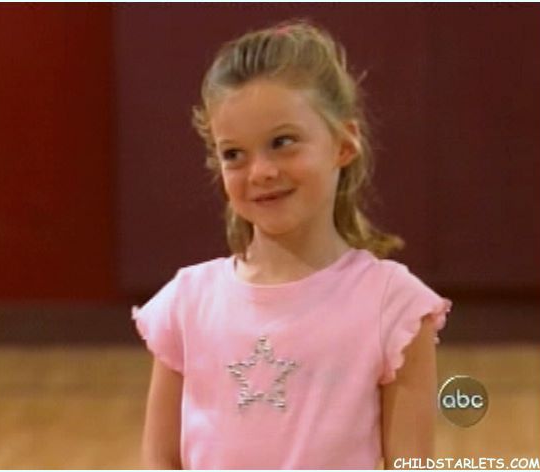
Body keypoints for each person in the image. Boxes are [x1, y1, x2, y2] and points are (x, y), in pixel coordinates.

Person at [132, 19, 452, 470]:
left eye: (282, 142)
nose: (260, 171)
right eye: (234, 154)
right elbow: (159, 459)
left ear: (343, 144)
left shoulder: (393, 307)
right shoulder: (187, 302)